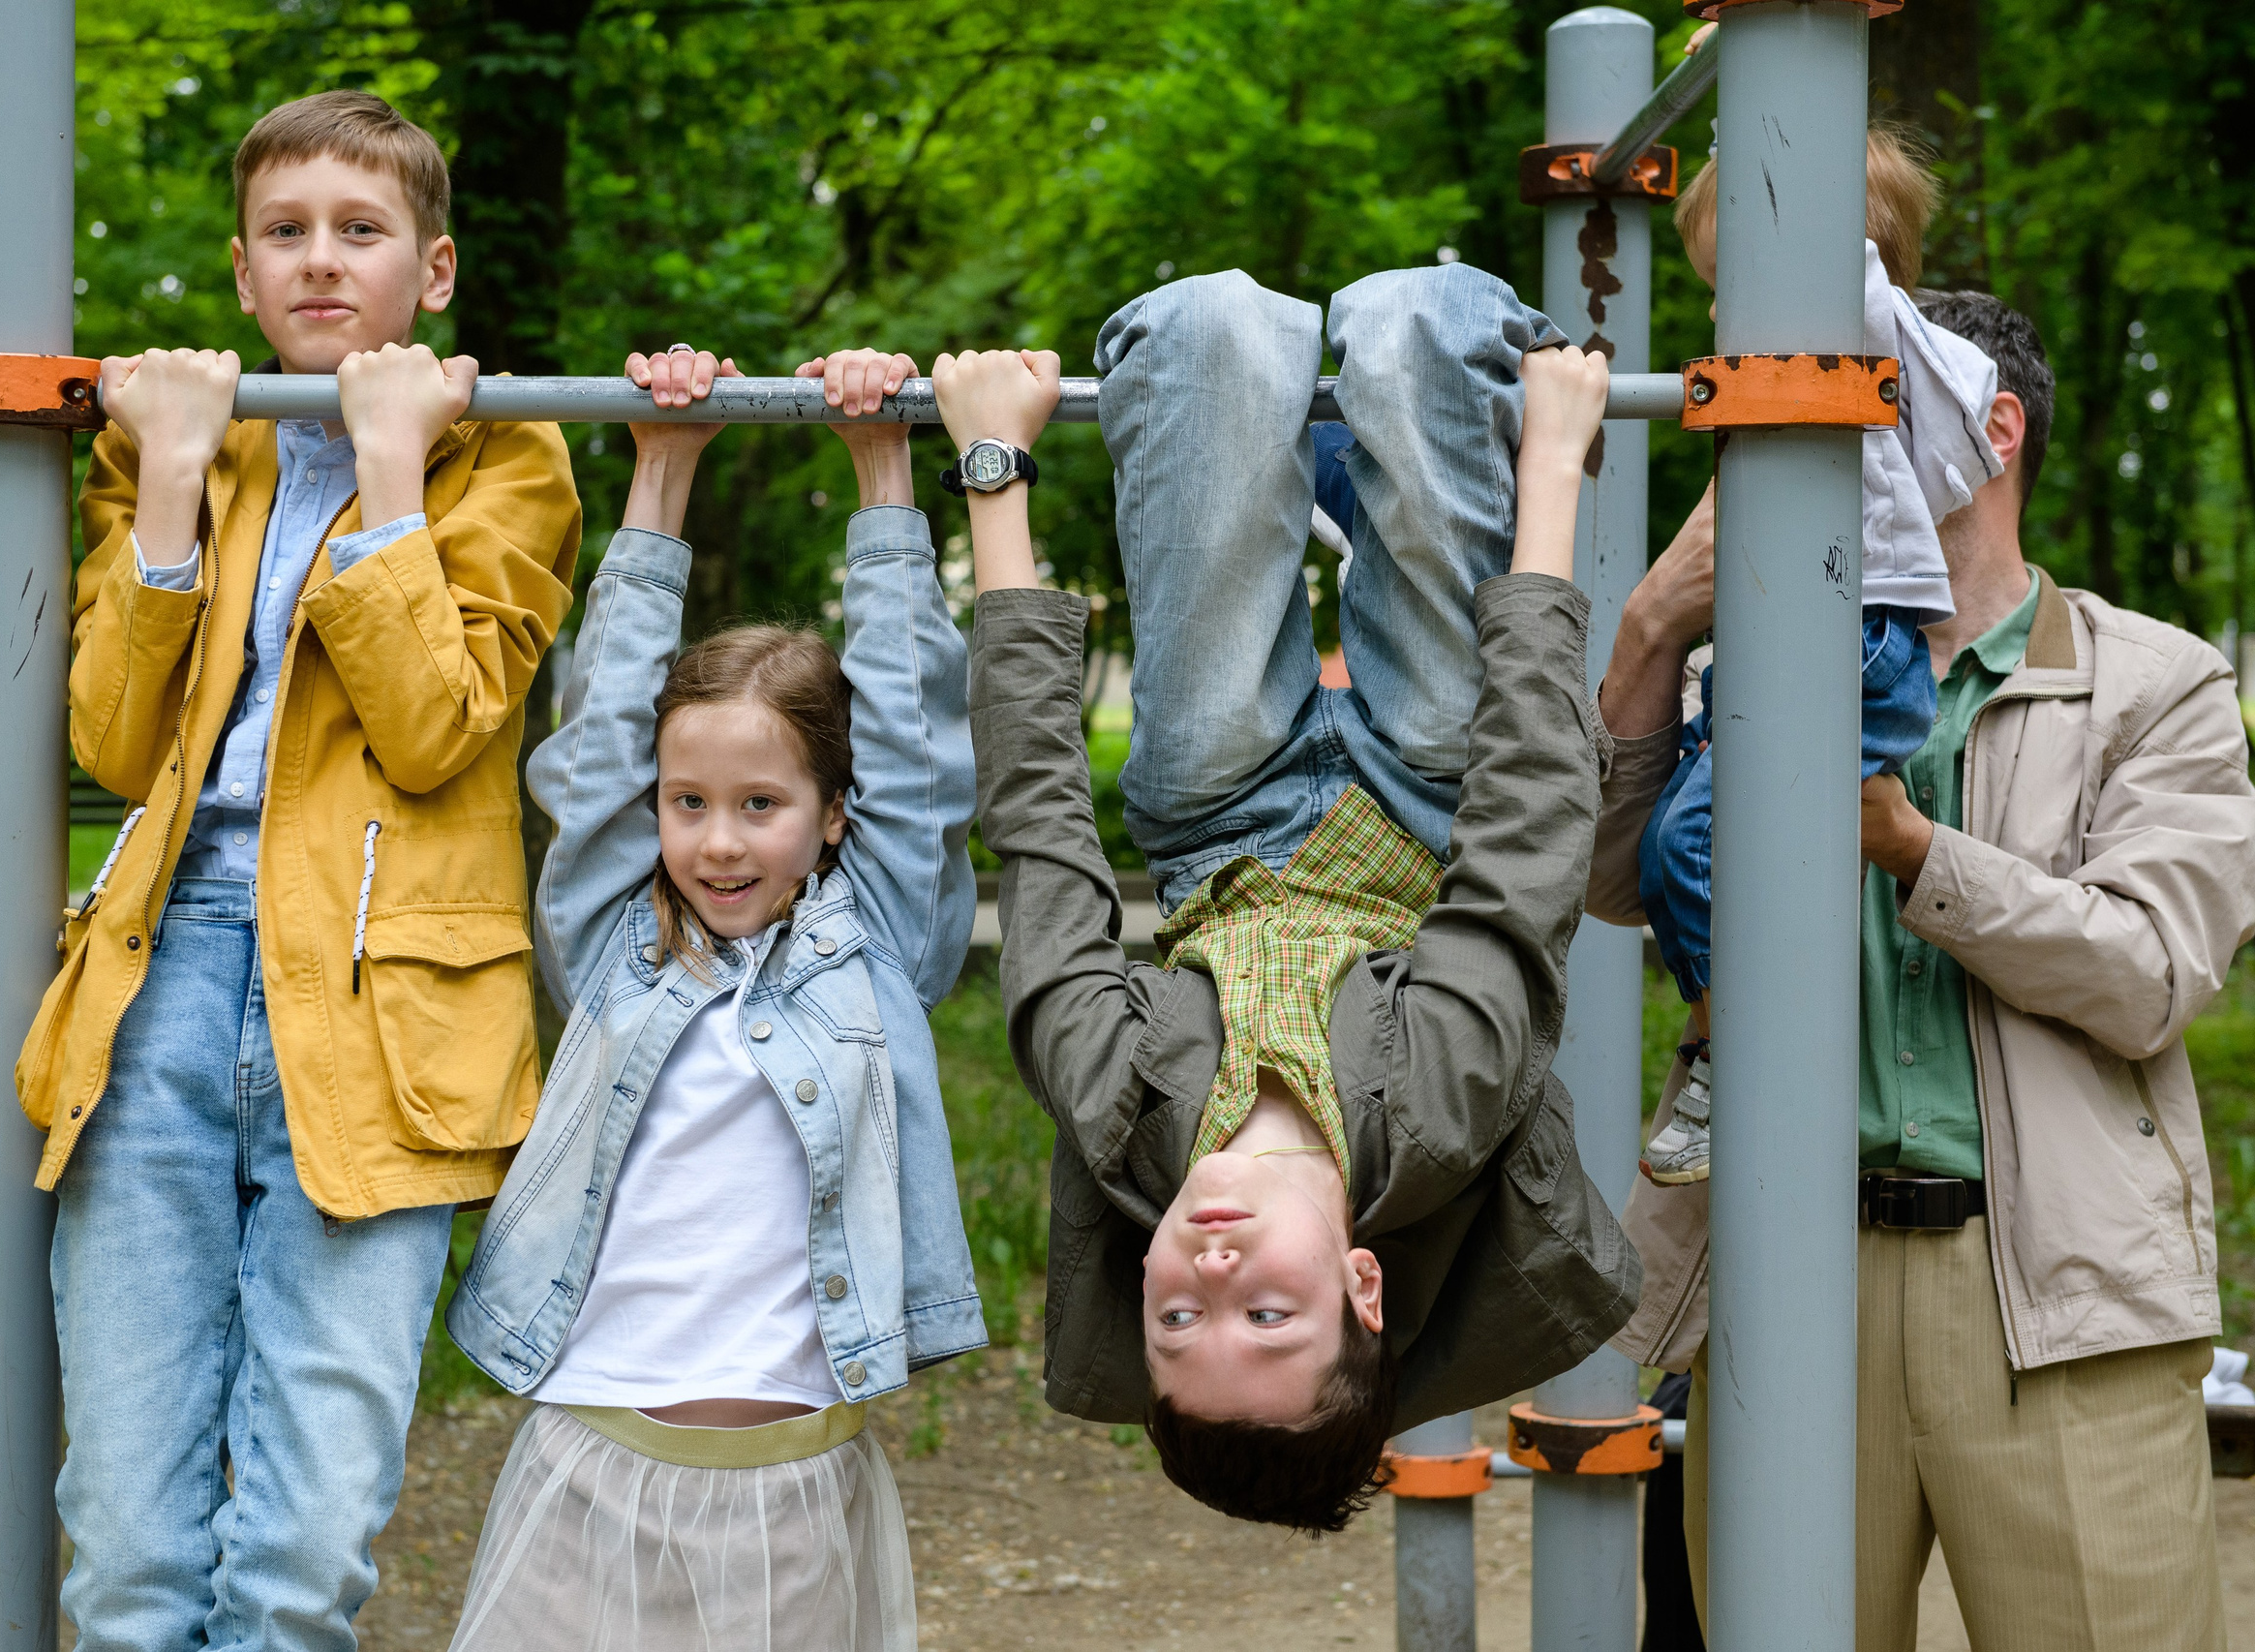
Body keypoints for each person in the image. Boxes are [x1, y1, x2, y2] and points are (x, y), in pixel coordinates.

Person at [1594, 292, 2255, 1649]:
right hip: (1783, 1263)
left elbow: (2150, 970)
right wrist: (1654, 628)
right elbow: (1607, 881)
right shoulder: (1754, 667)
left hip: (2060, 1298)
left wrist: (1910, 847)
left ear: (1989, 431)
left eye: (1857, 409)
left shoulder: (2158, 685)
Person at [15, 90, 581, 1648]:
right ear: (245, 275)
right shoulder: (186, 443)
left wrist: (391, 481)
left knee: (301, 1545)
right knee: (129, 1553)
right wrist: (177, 485)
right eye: (286, 233)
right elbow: (119, 745)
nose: (321, 260)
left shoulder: (512, 453)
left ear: (436, 267)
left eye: (361, 228)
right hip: (162, 989)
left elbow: (434, 728)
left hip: (381, 1002)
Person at [961, 266, 1639, 1534]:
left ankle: (1265, 397)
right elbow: (1528, 832)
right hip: (1441, 793)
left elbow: (1040, 835)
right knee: (1415, 329)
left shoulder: (1118, 1114)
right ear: (1362, 1284)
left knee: (1207, 329)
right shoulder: (1439, 1115)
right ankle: (1414, 407)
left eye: (1174, 1315)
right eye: (1266, 1313)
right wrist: (1554, 464)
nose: (1211, 1270)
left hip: (1219, 813)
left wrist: (993, 466)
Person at [440, 344, 986, 1652]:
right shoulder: (615, 942)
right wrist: (660, 471)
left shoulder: (878, 951)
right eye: (690, 804)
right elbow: (601, 738)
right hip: (590, 1457)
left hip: (794, 1479)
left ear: (833, 816)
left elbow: (911, 732)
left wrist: (883, 463)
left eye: (762, 805)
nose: (721, 841)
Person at [1634, 126, 2004, 1184]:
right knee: (1672, 845)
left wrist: (1757, 113)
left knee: (1697, 841)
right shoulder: (1819, 370)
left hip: (1858, 641)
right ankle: (1723, 1037)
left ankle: (1744, 1053)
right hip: (1804, 637)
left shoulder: (1869, 340)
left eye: (1729, 285)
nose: (1713, 314)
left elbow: (1829, 244)